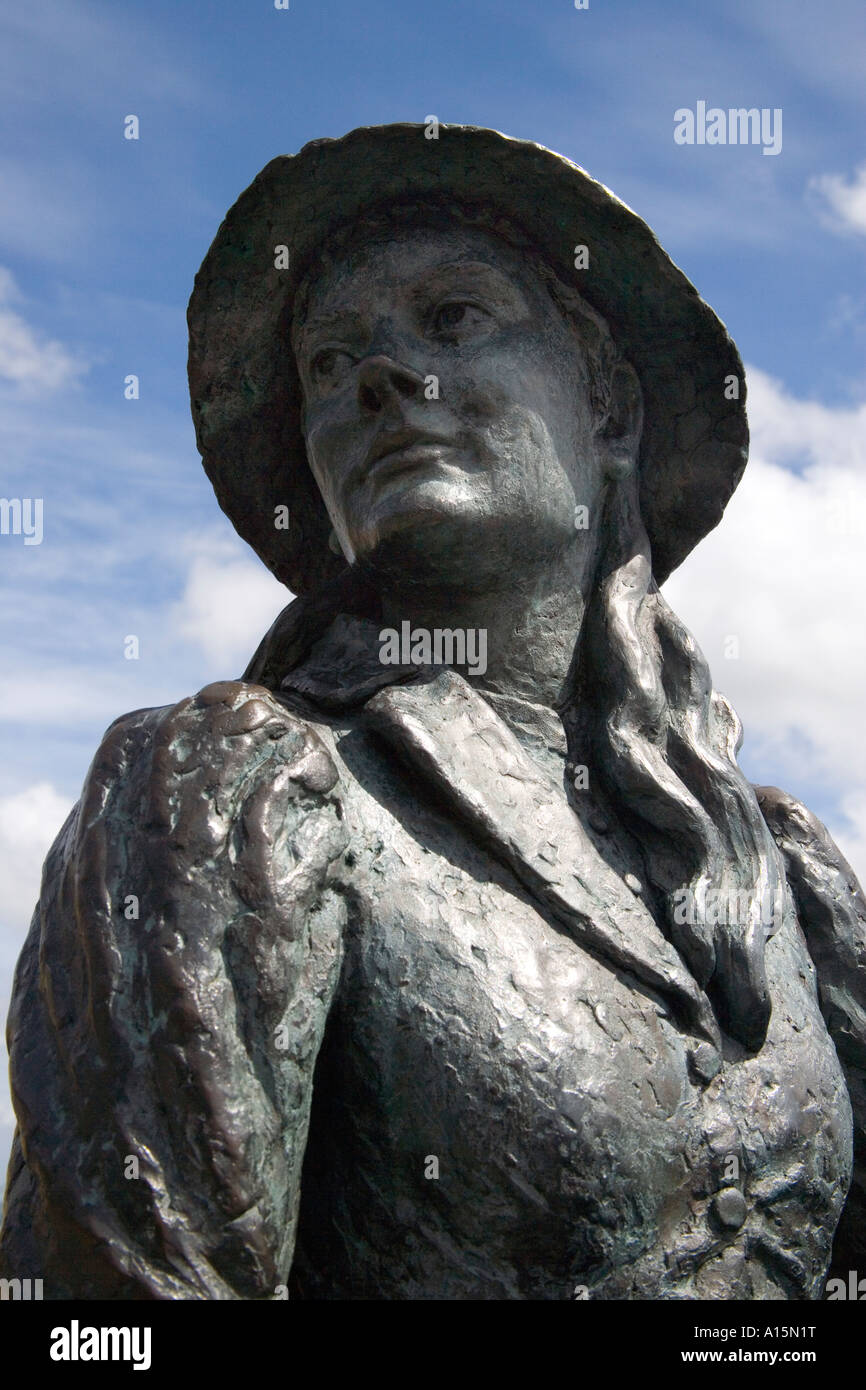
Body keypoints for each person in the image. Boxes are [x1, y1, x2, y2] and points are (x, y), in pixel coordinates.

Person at [2, 123, 864, 1300]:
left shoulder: (795, 883)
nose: (378, 376)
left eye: (453, 317)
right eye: (330, 362)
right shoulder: (223, 796)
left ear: (607, 408)